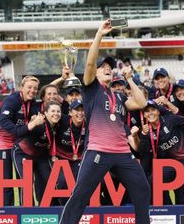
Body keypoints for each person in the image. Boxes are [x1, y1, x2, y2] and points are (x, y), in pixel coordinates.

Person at [60, 20, 150, 224]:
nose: (108, 69)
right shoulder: (91, 89)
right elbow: (90, 63)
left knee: (142, 190)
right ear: (96, 73)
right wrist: (100, 34)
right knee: (81, 195)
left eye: (110, 67)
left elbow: (141, 102)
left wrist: (129, 79)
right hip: (98, 151)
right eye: (104, 67)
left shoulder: (117, 96)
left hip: (122, 153)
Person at [0, 75, 41, 206]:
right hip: (3, 141)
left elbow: (49, 93)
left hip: (20, 143)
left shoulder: (33, 103)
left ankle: (24, 210)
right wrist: (27, 127)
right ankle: (7, 212)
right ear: (21, 88)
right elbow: (5, 122)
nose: (32, 90)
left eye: (35, 88)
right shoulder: (11, 101)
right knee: (5, 181)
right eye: (29, 87)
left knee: (23, 179)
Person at [12, 101, 57, 205]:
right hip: (22, 153)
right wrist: (33, 123)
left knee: (48, 181)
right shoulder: (39, 123)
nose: (56, 113)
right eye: (53, 111)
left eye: (58, 111)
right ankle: (28, 211)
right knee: (27, 182)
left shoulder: (58, 124)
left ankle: (45, 208)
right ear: (45, 113)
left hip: (40, 155)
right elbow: (21, 132)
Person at [53, 99, 86, 205]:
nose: (80, 113)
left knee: (81, 182)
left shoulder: (89, 124)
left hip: (79, 159)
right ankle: (64, 208)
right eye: (77, 110)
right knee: (62, 183)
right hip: (61, 158)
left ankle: (80, 208)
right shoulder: (62, 120)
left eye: (82, 110)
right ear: (70, 112)